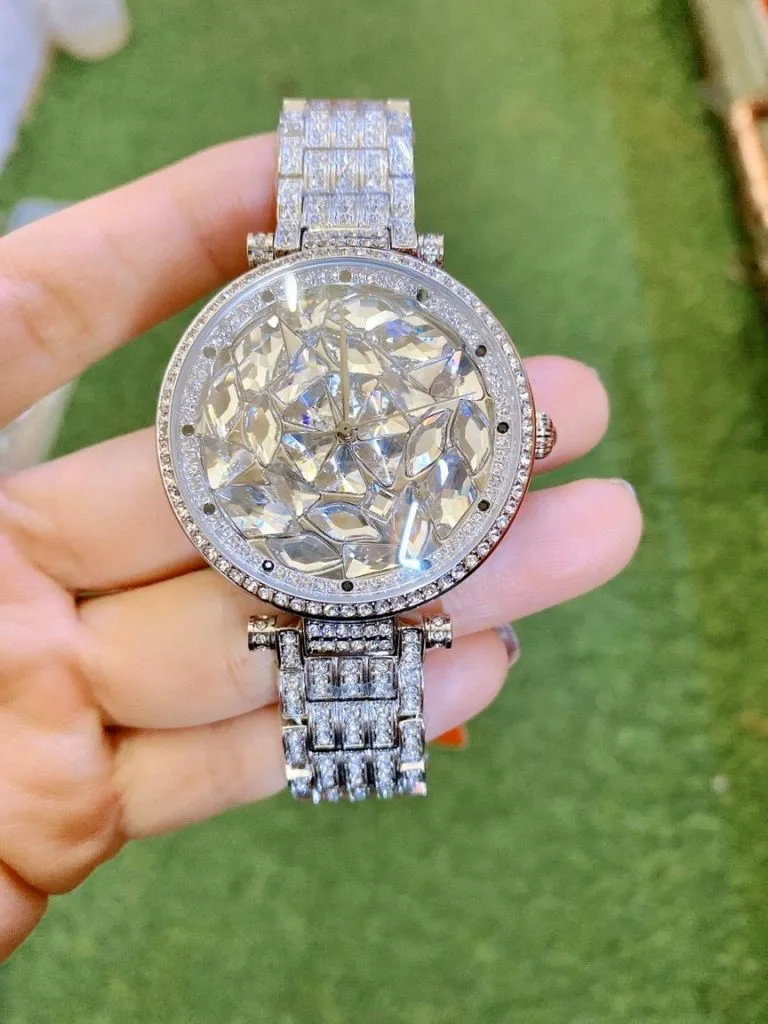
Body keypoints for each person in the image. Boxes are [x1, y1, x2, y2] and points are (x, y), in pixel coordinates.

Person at [0, 133, 642, 961]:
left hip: (345, 561)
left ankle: (358, 752)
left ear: (529, 436)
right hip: (326, 554)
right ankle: (357, 754)